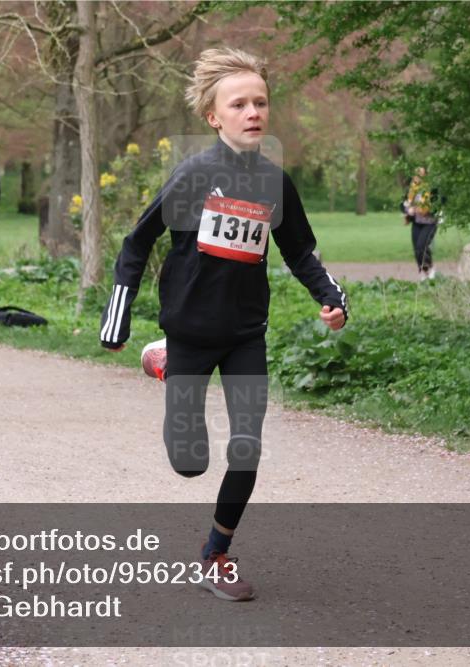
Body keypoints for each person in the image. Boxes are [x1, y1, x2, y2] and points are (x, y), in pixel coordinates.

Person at [99, 47, 348, 601]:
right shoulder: (193, 175)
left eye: (260, 101)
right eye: (239, 104)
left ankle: (216, 552)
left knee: (247, 447)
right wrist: (116, 320)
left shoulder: (275, 183)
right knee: (190, 463)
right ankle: (163, 361)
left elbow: (302, 252)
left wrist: (331, 299)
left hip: (243, 336)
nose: (253, 111)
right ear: (214, 116)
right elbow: (136, 245)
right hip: (188, 332)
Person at [404, 166, 442, 281]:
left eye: (420, 174)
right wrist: (408, 210)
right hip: (417, 222)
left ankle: (431, 269)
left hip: (430, 222)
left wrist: (420, 209)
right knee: (417, 249)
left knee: (422, 246)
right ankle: (425, 274)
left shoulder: (431, 189)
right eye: (416, 174)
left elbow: (435, 206)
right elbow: (405, 204)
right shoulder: (412, 189)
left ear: (425, 176)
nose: (417, 176)